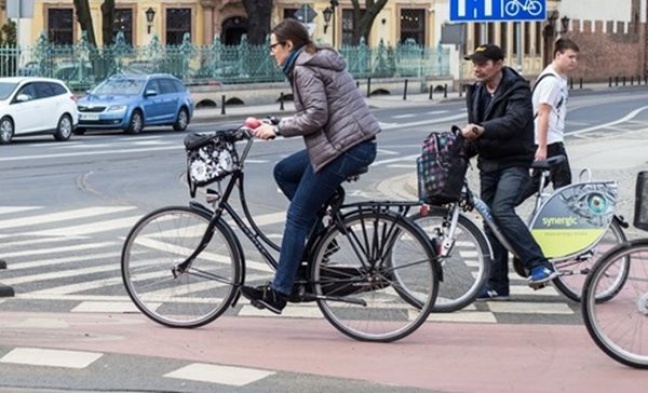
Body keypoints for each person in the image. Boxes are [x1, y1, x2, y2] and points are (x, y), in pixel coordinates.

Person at [239, 19, 380, 314]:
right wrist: (273, 123)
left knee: (297, 215)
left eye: (273, 46)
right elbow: (317, 112)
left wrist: (277, 131)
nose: (270, 53)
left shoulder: (303, 68)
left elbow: (316, 115)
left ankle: (279, 291)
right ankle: (321, 239)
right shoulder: (310, 62)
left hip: (347, 147)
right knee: (284, 171)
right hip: (347, 143)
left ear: (288, 45)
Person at [461, 44, 557, 300]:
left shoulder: (518, 88)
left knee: (502, 209)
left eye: (483, 63)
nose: (477, 69)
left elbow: (516, 121)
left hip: (514, 162)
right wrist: (458, 151)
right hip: (488, 165)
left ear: (499, 63)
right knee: (490, 222)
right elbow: (476, 133)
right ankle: (496, 285)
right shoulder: (477, 92)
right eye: (475, 64)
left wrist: (482, 129)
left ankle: (538, 264)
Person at [519, 38, 580, 202]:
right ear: (558, 55)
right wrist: (543, 147)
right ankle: (563, 220)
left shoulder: (560, 78)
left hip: (550, 139)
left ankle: (504, 208)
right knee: (564, 186)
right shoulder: (551, 81)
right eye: (570, 57)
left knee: (537, 181)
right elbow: (543, 113)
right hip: (550, 141)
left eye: (575, 58)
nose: (574, 61)